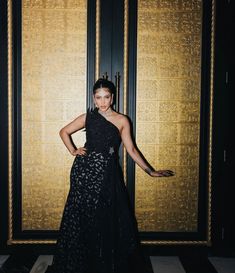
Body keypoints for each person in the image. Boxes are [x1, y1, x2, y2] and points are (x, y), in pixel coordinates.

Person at [46, 78, 174, 273]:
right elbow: (63, 131)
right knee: (83, 217)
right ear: (93, 99)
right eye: (98, 98)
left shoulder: (122, 120)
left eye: (106, 97)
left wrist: (150, 170)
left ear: (112, 97)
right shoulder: (88, 117)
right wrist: (73, 150)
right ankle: (84, 263)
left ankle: (103, 263)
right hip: (85, 172)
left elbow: (131, 149)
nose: (103, 102)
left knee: (107, 217)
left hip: (108, 173)